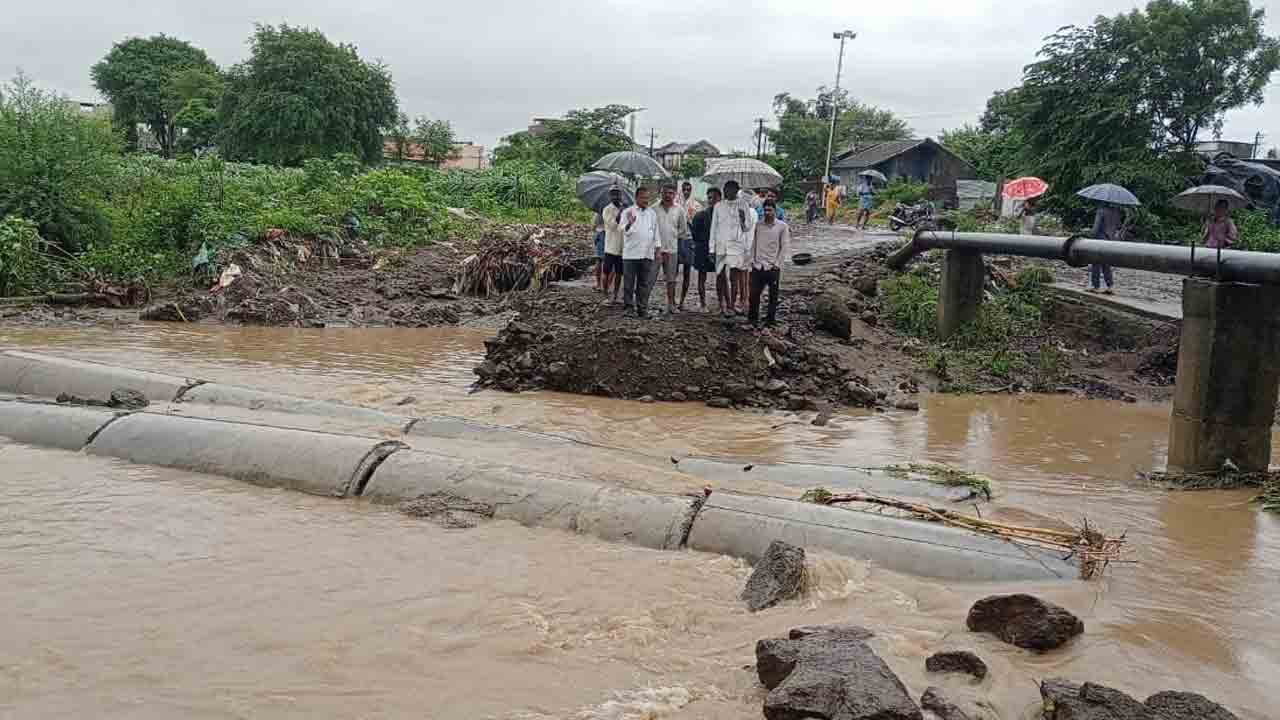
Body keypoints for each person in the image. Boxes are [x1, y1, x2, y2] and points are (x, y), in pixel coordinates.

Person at [710, 180, 756, 316]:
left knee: (734, 277)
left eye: (730, 189)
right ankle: (721, 304)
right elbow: (714, 228)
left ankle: (731, 305)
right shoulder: (718, 206)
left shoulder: (743, 205)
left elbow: (747, 227)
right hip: (721, 245)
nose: (727, 191)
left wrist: (742, 219)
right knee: (720, 275)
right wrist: (711, 249)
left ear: (736, 190)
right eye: (725, 189)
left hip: (737, 245)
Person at [750, 198, 791, 327]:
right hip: (758, 265)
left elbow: (784, 247)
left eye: (770, 210)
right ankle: (753, 319)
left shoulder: (782, 226)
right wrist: (752, 261)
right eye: (765, 210)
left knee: (773, 296)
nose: (767, 212)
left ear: (775, 211)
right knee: (754, 295)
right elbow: (753, 243)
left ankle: (770, 320)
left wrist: (777, 264)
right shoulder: (758, 225)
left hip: (772, 266)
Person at [620, 186, 659, 317]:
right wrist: (630, 223)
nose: (646, 200)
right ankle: (628, 308)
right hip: (631, 253)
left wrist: (657, 249)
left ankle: (642, 309)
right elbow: (622, 230)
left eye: (647, 198)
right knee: (629, 282)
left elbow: (655, 232)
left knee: (643, 282)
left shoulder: (652, 213)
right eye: (643, 198)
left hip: (647, 253)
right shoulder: (628, 212)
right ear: (636, 198)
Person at [654, 182, 691, 314]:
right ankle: (643, 303)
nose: (668, 195)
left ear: (675, 194)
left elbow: (683, 230)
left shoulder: (679, 210)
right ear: (661, 193)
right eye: (665, 193)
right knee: (649, 277)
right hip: (655, 250)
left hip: (672, 249)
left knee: (671, 279)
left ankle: (671, 304)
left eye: (671, 193)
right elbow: (650, 228)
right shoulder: (654, 208)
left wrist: (673, 236)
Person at [688, 187, 721, 311]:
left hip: (718, 250)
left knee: (720, 277)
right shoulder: (700, 216)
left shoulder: (723, 217)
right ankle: (702, 304)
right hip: (702, 249)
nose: (711, 200)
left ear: (720, 199)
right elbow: (695, 234)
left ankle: (720, 302)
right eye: (709, 197)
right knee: (702, 277)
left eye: (714, 197)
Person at [1089, 203, 1125, 294]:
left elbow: (1095, 228)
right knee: (1106, 264)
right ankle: (1110, 286)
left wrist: (1090, 235)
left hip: (1100, 240)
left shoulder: (1101, 210)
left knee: (1096, 262)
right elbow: (1119, 227)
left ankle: (1095, 286)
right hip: (1110, 241)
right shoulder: (1116, 212)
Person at [601, 187, 627, 305]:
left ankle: (615, 295)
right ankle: (605, 294)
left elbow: (627, 227)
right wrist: (620, 212)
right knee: (606, 271)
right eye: (613, 195)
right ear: (610, 196)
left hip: (622, 248)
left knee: (619, 273)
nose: (616, 197)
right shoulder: (607, 210)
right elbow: (612, 225)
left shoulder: (626, 210)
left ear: (621, 195)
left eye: (618, 194)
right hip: (610, 247)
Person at [592, 207, 606, 291]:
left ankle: (599, 284)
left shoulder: (600, 208)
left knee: (599, 259)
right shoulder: (612, 208)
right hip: (606, 234)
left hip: (600, 233)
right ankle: (603, 284)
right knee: (605, 260)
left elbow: (593, 225)